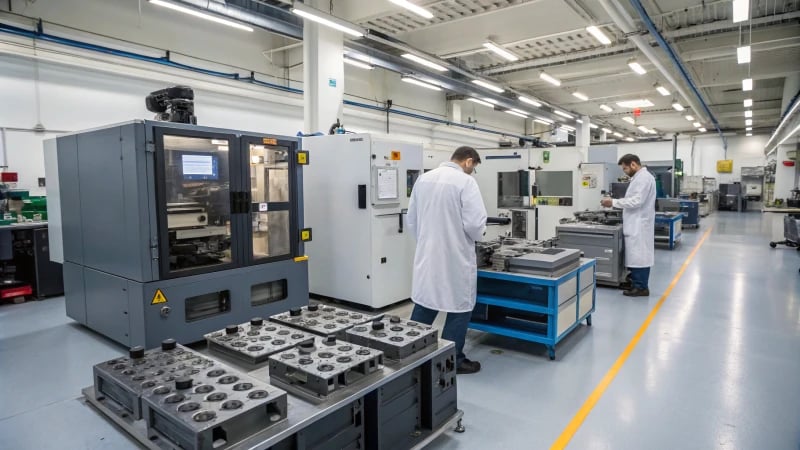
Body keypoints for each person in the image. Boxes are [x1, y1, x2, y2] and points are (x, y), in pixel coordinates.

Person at [406, 146, 487, 374]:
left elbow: (411, 219)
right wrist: (478, 237)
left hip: (428, 255)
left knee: (425, 303)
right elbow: (474, 224)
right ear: (469, 162)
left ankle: (410, 353)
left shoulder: (423, 179)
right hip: (456, 257)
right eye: (473, 168)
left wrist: (425, 243)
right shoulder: (465, 182)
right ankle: (453, 359)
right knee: (460, 306)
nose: (472, 172)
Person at [600, 154, 656, 297]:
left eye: (625, 168)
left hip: (640, 224)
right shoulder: (639, 178)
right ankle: (634, 282)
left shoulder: (644, 178)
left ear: (633, 164)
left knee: (640, 255)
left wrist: (613, 202)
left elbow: (637, 201)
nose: (624, 171)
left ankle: (641, 287)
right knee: (635, 254)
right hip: (635, 222)